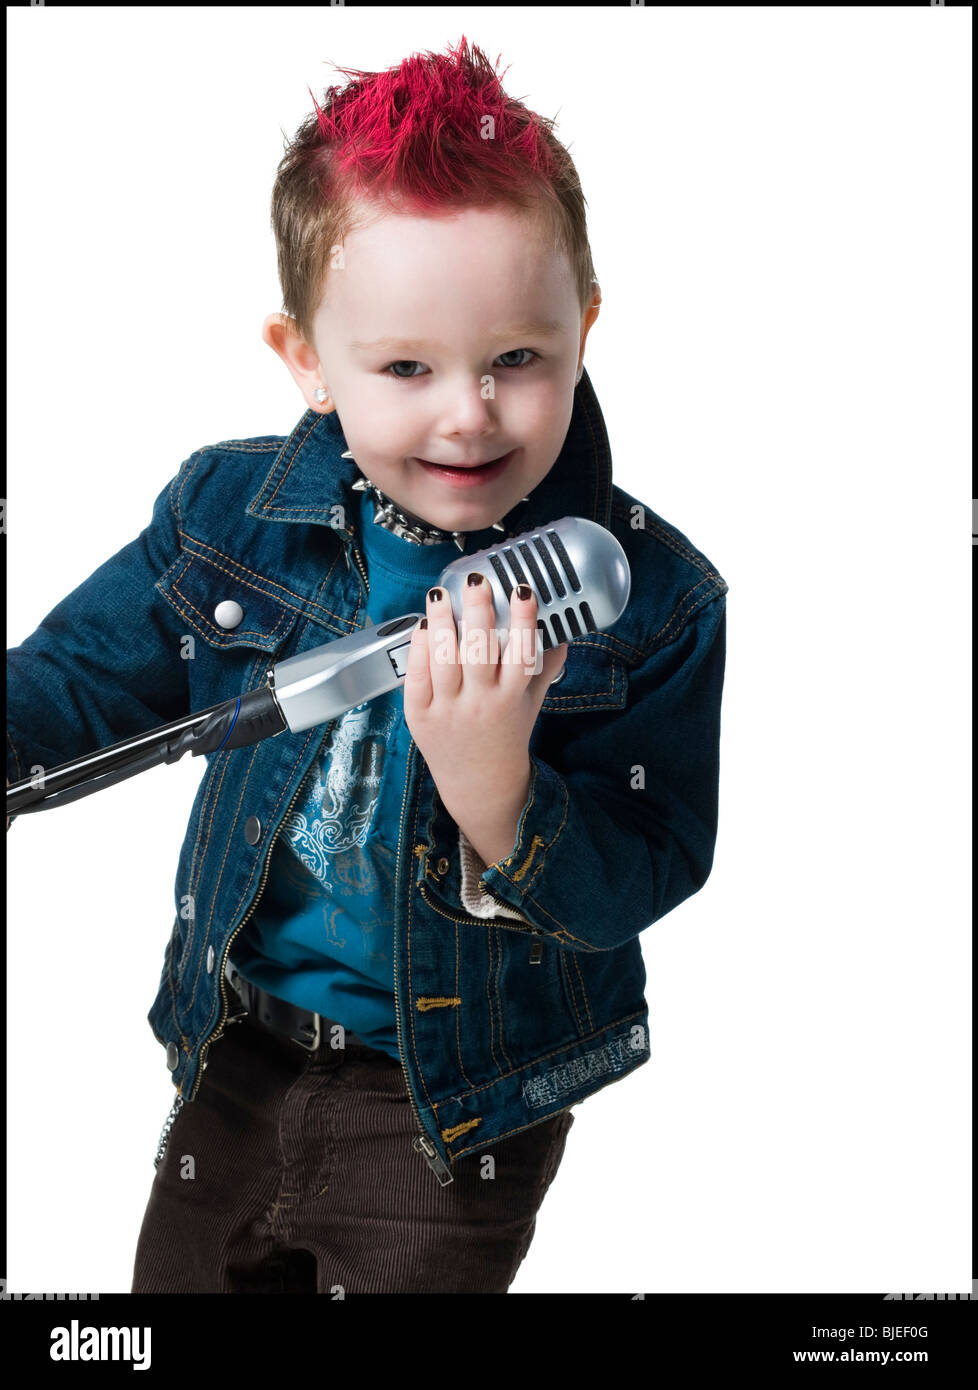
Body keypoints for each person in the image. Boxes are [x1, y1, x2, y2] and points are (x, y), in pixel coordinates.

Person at [5, 36, 728, 1293]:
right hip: (235, 1055)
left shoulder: (654, 601)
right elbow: (71, 688)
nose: (467, 411)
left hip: (456, 1106)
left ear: (584, 327)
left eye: (518, 357)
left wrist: (499, 791)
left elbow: (644, 869)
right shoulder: (227, 515)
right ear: (305, 358)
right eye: (405, 368)